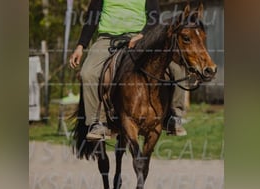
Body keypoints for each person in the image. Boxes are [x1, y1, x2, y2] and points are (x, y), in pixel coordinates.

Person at [70, 0, 187, 140]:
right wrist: (80, 46)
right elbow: (92, 18)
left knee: (177, 69)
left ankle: (174, 117)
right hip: (107, 40)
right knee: (87, 73)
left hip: (140, 38)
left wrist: (141, 35)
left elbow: (154, 18)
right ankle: (98, 123)